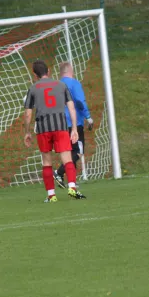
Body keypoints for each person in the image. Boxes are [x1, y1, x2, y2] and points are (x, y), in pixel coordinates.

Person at [23, 60, 86, 202]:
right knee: (67, 158)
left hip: (43, 129)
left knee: (47, 162)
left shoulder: (33, 88)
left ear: (34, 74)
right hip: (61, 127)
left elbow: (28, 113)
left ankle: (51, 195)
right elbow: (71, 107)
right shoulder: (61, 85)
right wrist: (74, 128)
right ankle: (72, 188)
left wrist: (27, 132)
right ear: (49, 71)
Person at [53, 61, 94, 189]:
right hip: (74, 122)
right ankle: (59, 172)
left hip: (60, 123)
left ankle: (72, 181)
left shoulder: (56, 85)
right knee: (78, 151)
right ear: (70, 70)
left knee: (69, 151)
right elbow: (80, 101)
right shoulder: (74, 83)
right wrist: (88, 117)